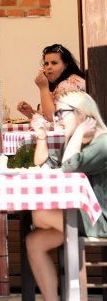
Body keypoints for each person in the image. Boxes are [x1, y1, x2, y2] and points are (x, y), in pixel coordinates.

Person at [26, 91, 107, 301]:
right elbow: (43, 163)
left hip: (100, 219)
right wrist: (42, 135)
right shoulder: (74, 142)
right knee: (34, 242)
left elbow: (68, 168)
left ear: (81, 113)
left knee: (40, 214)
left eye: (61, 113)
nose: (57, 119)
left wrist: (77, 133)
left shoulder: (102, 143)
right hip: (81, 215)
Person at [17, 43, 86, 121]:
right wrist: (31, 113)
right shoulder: (59, 84)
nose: (49, 67)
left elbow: (53, 118)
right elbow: (49, 116)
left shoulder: (71, 84)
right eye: (46, 64)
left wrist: (43, 88)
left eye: (54, 63)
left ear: (65, 65)